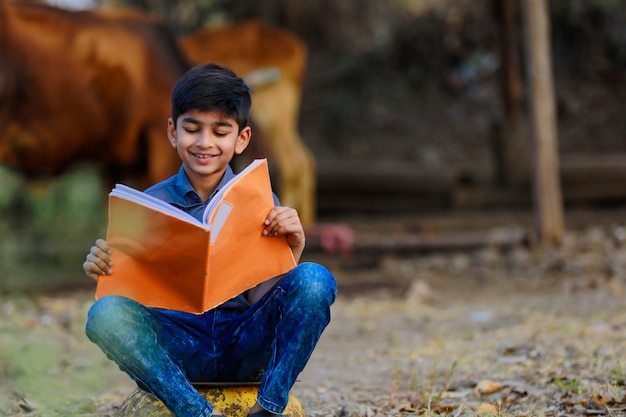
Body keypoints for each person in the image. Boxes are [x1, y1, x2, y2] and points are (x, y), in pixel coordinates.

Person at [82, 63, 337, 417]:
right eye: (192, 129)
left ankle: (268, 408)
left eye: (220, 132)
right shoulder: (147, 206)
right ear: (173, 132)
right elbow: (135, 304)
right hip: (180, 347)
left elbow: (260, 298)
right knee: (104, 314)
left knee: (315, 278)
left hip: (245, 342)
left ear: (241, 139)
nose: (205, 143)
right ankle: (198, 413)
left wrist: (291, 250)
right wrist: (106, 271)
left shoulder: (259, 200)